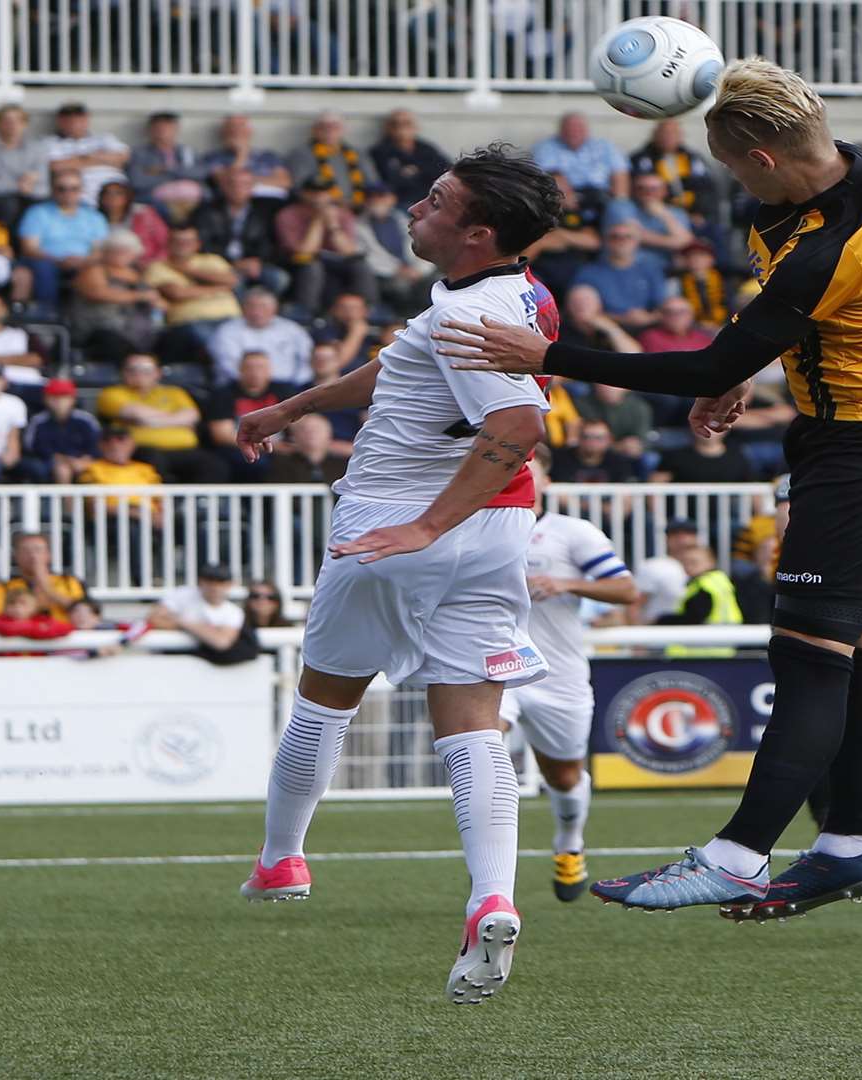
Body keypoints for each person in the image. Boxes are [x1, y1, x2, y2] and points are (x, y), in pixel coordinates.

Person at [434, 60, 862, 920]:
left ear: (759, 158)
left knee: (807, 656)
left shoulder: (837, 247)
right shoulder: (849, 168)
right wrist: (750, 362)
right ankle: (848, 847)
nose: (727, 178)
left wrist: (549, 357)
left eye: (727, 164)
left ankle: (738, 854)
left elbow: (722, 355)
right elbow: (767, 329)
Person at [230, 144, 561, 1004]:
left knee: (323, 697)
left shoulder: (467, 316)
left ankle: (280, 861)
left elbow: (521, 422)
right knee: (472, 721)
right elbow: (411, 363)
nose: (417, 206)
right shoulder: (512, 295)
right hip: (499, 526)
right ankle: (493, 895)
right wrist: (296, 406)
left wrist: (422, 524)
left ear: (476, 234)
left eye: (437, 200)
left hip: (401, 526)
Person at [497, 454, 635, 900]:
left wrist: (567, 584)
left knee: (564, 776)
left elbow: (626, 590)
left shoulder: (570, 532)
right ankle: (491, 876)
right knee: (483, 749)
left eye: (527, 463)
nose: (518, 469)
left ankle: (569, 843)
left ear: (545, 478)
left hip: (558, 675)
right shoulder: (474, 526)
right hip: (493, 667)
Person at [94, 353, 227, 484]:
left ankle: (191, 505)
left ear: (157, 373)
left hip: (185, 448)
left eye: (146, 369)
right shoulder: (111, 393)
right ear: (123, 372)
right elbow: (137, 414)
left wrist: (149, 421)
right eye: (132, 369)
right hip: (143, 449)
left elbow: (192, 416)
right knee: (154, 462)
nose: (138, 373)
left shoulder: (175, 392)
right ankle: (163, 504)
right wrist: (176, 419)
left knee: (215, 464)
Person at [274, 178, 377, 312]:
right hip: (298, 262)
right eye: (313, 192)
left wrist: (333, 226)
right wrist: (318, 221)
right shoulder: (288, 215)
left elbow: (349, 251)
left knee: (360, 265)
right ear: (304, 194)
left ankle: (369, 310)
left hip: (334, 259)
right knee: (312, 266)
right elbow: (305, 252)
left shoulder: (342, 214)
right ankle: (307, 312)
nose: (318, 197)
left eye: (323, 192)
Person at [68, 229, 164, 363]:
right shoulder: (94, 270)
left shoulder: (137, 275)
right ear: (106, 251)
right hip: (101, 329)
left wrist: (157, 302)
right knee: (113, 342)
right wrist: (138, 296)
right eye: (116, 250)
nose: (121, 255)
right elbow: (97, 293)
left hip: (139, 333)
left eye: (126, 251)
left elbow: (159, 302)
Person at [16, 171, 107, 309]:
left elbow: (100, 249)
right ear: (53, 190)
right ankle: (47, 313)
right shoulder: (37, 212)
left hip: (84, 262)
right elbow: (29, 248)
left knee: (97, 269)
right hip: (46, 260)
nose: (68, 193)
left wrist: (82, 261)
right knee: (43, 267)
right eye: (61, 188)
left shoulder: (94, 216)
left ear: (81, 190)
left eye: (74, 188)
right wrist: (58, 260)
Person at [572, 221, 669, 332]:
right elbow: (581, 314)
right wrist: (622, 319)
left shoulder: (651, 269)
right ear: (606, 241)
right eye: (615, 237)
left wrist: (648, 318)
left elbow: (663, 306)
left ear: (637, 242)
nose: (621, 241)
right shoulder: (588, 272)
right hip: (603, 332)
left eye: (628, 237)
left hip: (649, 330)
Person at [208, 288, 314, 385]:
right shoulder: (227, 331)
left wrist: (296, 385)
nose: (256, 311)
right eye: (251, 306)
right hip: (240, 388)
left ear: (274, 308)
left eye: (263, 306)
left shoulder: (292, 329)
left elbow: (307, 359)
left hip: (290, 388)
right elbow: (228, 367)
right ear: (243, 308)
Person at [0, 104, 51, 225]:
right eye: (7, 120)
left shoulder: (38, 147)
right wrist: (17, 186)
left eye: (18, 120)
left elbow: (44, 187)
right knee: (9, 205)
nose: (12, 125)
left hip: (31, 195)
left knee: (42, 205)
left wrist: (28, 187)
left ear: (25, 124)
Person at [147, 563, 250, 659]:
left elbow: (222, 642)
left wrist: (182, 622)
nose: (214, 587)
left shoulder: (233, 612)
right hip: (169, 656)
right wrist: (206, 630)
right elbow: (154, 619)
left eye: (220, 582)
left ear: (229, 585)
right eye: (210, 581)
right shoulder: (182, 594)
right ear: (200, 582)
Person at [286, 112, 379, 209]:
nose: (329, 130)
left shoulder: (358, 153)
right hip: (321, 208)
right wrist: (332, 200)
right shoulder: (301, 154)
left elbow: (373, 182)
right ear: (314, 130)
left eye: (335, 126)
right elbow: (298, 188)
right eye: (323, 126)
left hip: (361, 207)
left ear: (343, 130)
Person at [46, 104, 129, 206]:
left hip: (115, 192)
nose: (74, 124)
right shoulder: (51, 142)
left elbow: (123, 157)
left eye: (79, 120)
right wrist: (102, 158)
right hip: (79, 197)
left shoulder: (104, 138)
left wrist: (81, 159)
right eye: (69, 121)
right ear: (60, 122)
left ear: (87, 120)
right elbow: (55, 166)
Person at [530, 112, 628, 200]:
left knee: (620, 209)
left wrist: (619, 199)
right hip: (566, 196)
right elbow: (548, 175)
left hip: (601, 195)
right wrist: (563, 196)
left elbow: (620, 173)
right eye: (569, 128)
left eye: (579, 128)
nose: (574, 132)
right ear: (561, 130)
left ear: (586, 130)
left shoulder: (604, 146)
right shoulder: (546, 147)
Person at [126, 112, 208, 215]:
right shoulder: (139, 154)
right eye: (158, 128)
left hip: (192, 201)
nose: (162, 132)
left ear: (176, 129)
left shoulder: (187, 151)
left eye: (167, 128)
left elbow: (200, 173)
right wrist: (179, 178)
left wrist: (166, 170)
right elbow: (137, 181)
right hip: (156, 201)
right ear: (150, 130)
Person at [20, 378, 100, 483]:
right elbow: (33, 447)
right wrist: (68, 461)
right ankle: (67, 500)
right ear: (45, 399)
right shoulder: (39, 421)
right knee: (62, 469)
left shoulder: (86, 420)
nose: (59, 401)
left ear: (73, 399)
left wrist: (85, 460)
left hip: (85, 461)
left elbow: (97, 446)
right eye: (54, 397)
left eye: (64, 397)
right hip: (50, 462)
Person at [203, 114, 294, 202]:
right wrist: (241, 154)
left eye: (241, 128)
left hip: (272, 200)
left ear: (249, 131)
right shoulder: (214, 157)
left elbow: (285, 182)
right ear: (223, 133)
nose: (236, 131)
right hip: (237, 201)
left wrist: (248, 182)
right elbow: (227, 182)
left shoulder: (268, 155)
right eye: (231, 129)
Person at [369, 110, 451, 208]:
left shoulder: (425, 148)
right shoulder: (380, 152)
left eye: (406, 123)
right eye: (395, 124)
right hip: (399, 203)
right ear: (387, 128)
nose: (401, 128)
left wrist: (417, 170)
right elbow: (389, 181)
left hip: (431, 199)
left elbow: (446, 170)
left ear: (415, 127)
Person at [96, 179, 170, 265]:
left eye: (118, 193)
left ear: (127, 197)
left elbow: (165, 242)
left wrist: (153, 263)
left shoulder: (144, 214)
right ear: (101, 198)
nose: (112, 197)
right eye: (107, 193)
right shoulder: (93, 219)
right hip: (108, 265)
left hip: (146, 262)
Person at [263, 413, 347, 487]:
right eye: (304, 429)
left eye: (317, 429)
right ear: (294, 436)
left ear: (329, 434)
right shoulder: (279, 464)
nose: (311, 433)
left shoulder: (343, 466)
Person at [652, 427, 758, 484]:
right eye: (704, 424)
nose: (709, 430)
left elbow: (754, 489)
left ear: (726, 428)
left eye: (714, 425)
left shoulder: (738, 457)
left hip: (730, 518)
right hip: (684, 520)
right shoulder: (675, 456)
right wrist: (660, 518)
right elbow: (656, 484)